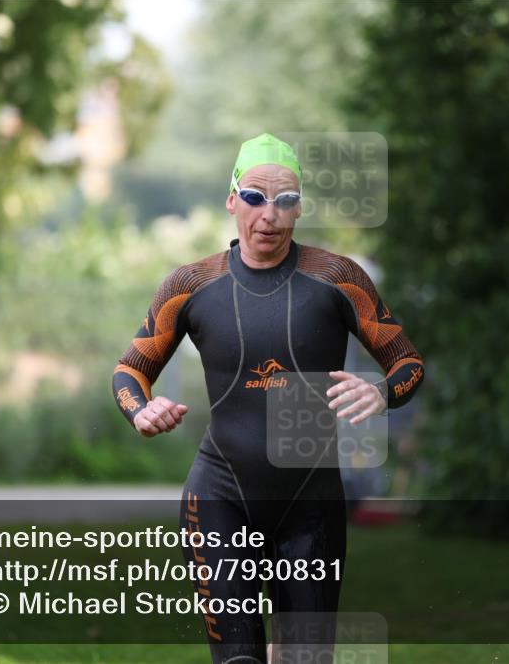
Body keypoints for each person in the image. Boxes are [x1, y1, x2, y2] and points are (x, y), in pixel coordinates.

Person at [113, 133, 424, 663]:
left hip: (312, 506)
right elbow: (130, 371)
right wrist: (142, 410)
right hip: (220, 498)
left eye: (285, 200)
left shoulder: (338, 279)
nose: (269, 215)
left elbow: (408, 365)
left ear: (299, 207)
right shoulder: (190, 285)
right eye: (256, 197)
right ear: (232, 199)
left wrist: (382, 392)